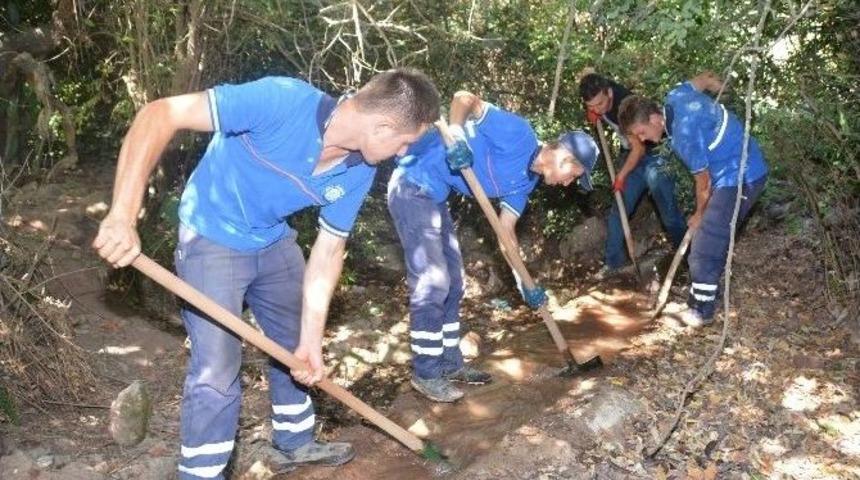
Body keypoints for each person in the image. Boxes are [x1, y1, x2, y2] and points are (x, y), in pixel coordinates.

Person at [92, 68, 440, 479]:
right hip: (211, 236)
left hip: (272, 241)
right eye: (405, 142)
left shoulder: (358, 170)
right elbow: (159, 113)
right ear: (382, 127)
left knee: (296, 344)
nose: (403, 153)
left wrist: (312, 342)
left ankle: (294, 443)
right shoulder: (282, 101)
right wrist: (122, 214)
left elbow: (329, 251)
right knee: (217, 369)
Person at [387, 91, 598, 402]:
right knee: (434, 283)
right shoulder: (518, 135)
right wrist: (457, 135)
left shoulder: (525, 186)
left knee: (454, 285)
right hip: (411, 184)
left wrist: (523, 281)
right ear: (565, 157)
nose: (568, 185)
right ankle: (426, 372)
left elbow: (506, 232)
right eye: (573, 176)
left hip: (435, 197)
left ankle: (450, 365)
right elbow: (462, 98)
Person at [618, 71, 768, 327]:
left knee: (704, 245)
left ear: (655, 118)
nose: (642, 139)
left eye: (641, 132)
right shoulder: (675, 96)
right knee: (712, 238)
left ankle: (702, 310)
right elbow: (703, 79)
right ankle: (705, 293)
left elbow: (704, 182)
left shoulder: (682, 136)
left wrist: (699, 215)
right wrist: (721, 87)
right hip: (741, 168)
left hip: (740, 177)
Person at [579, 73, 687, 279]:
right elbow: (587, 74)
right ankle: (614, 264)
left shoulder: (623, 106)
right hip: (632, 154)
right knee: (619, 208)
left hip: (655, 152)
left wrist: (620, 176)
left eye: (600, 104)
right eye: (591, 106)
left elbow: (638, 150)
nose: (597, 109)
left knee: (668, 212)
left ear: (609, 92)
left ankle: (686, 255)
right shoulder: (599, 92)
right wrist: (592, 112)